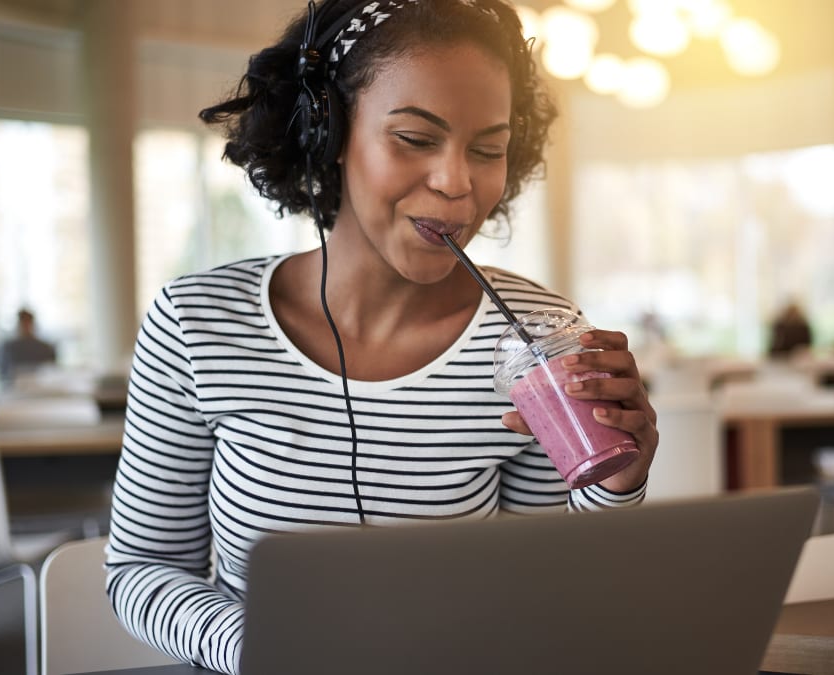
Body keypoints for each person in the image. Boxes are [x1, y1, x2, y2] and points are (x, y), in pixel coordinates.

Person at [104, 2, 658, 673]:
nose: (458, 182)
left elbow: (557, 580)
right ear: (327, 132)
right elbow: (143, 566)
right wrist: (263, 646)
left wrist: (615, 482)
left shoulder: (535, 334)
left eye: (487, 149)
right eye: (415, 139)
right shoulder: (196, 323)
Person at [0, 308, 56, 386]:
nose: (25, 326)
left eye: (28, 322)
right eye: (23, 323)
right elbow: (2, 373)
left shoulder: (45, 348)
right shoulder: (9, 348)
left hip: (41, 389)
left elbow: (52, 373)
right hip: (15, 391)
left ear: (32, 324)